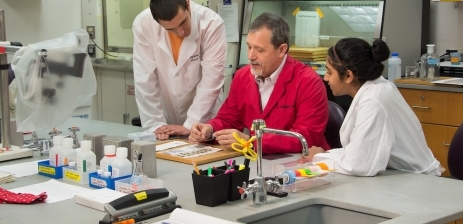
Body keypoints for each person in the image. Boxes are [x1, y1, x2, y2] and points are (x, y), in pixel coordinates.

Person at [189, 13, 329, 154]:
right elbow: (228, 119)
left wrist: (252, 141)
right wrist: (209, 130)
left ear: (281, 50)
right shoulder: (242, 76)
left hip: (300, 163)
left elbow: (306, 136)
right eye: (249, 47)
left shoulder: (308, 82)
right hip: (257, 160)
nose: (251, 56)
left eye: (259, 50)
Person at [305, 37, 443, 176]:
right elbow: (361, 150)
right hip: (398, 176)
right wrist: (327, 154)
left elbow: (359, 165)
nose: (326, 78)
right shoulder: (377, 88)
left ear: (348, 75)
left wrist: (320, 158)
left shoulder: (373, 100)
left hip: (414, 181)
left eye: (329, 72)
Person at [132, 0, 227, 140]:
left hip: (205, 119)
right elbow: (145, 80)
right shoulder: (143, 24)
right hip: (168, 119)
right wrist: (156, 126)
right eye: (172, 29)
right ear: (158, 23)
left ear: (188, 5)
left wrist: (190, 125)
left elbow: (212, 80)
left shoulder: (211, 24)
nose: (181, 32)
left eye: (183, 22)